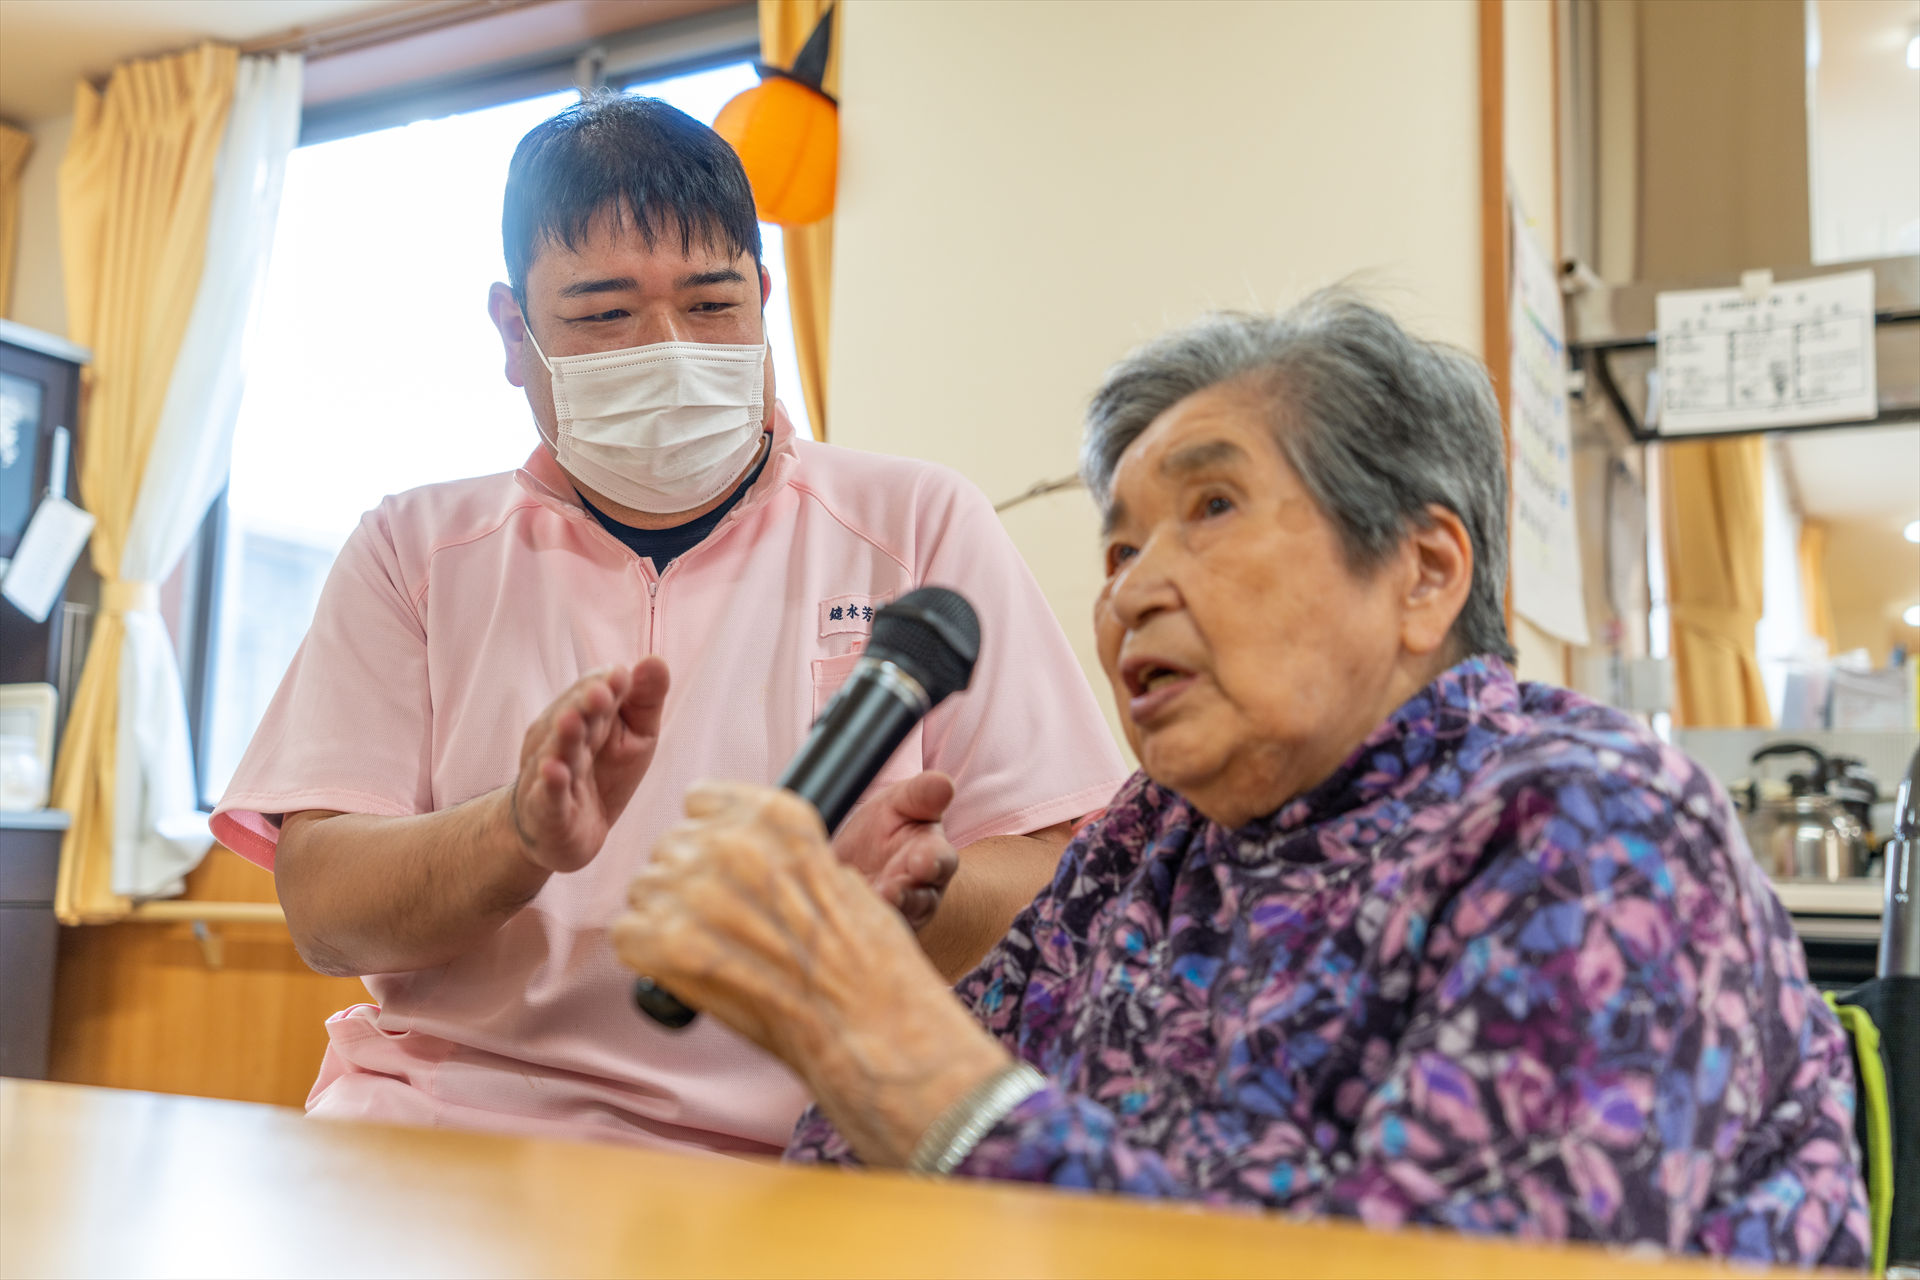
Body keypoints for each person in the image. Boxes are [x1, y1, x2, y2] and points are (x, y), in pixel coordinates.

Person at [611, 293, 1870, 1266]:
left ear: (1424, 572)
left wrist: (888, 1037)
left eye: (1210, 505)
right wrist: (852, 1019)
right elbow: (845, 1166)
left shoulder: (1592, 828)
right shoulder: (1141, 845)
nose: (1131, 588)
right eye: (1118, 543)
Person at [209, 93, 1128, 1154]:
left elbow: (1068, 895)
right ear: (515, 333)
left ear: (765, 299)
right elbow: (326, 911)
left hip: (813, 1147)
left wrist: (898, 896)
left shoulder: (917, 523)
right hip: (452, 1125)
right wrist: (515, 832)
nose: (671, 349)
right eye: (604, 315)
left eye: (711, 304)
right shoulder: (417, 550)